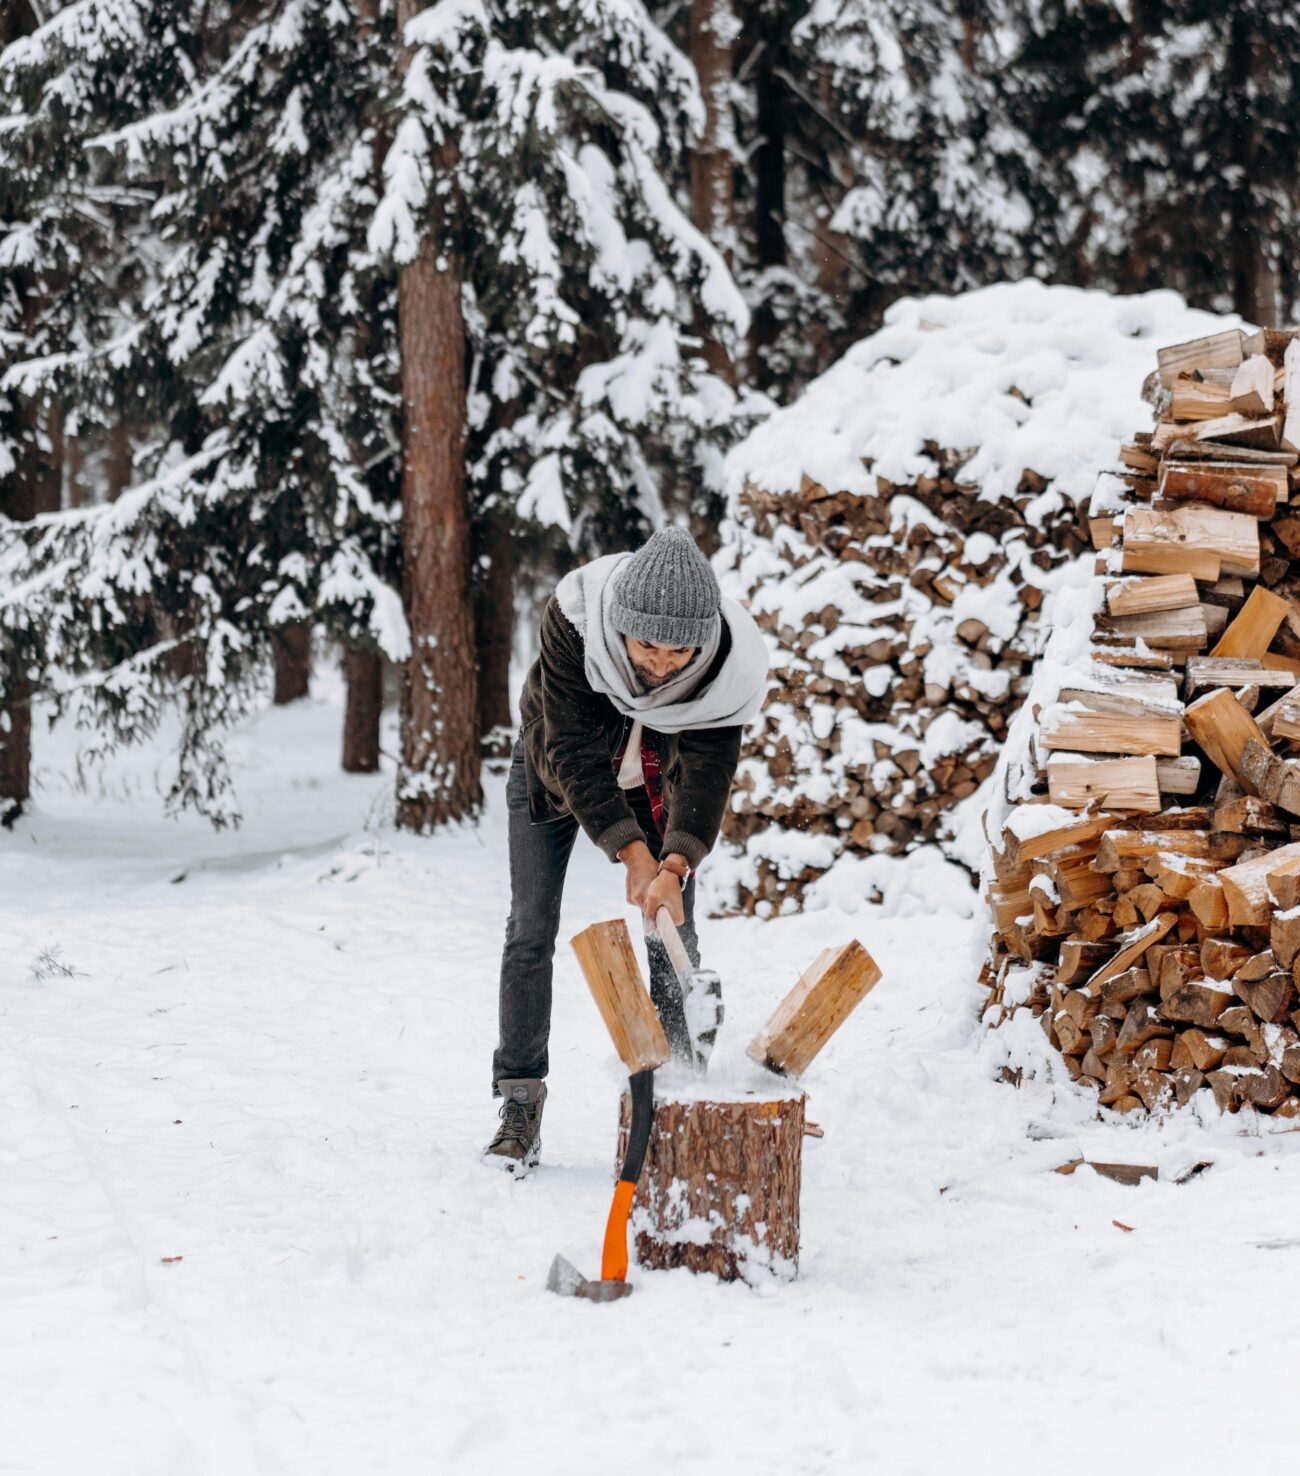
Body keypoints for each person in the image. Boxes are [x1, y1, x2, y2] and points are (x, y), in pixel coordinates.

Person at [484, 525, 770, 1174]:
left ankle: (681, 1103)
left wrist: (671, 863)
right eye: (647, 646)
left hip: (656, 789)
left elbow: (707, 769)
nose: (662, 664)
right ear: (619, 627)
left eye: (679, 652)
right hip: (557, 778)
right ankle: (519, 1103)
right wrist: (630, 855)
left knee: (672, 931)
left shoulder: (728, 666)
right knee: (530, 928)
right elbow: (573, 753)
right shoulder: (576, 619)